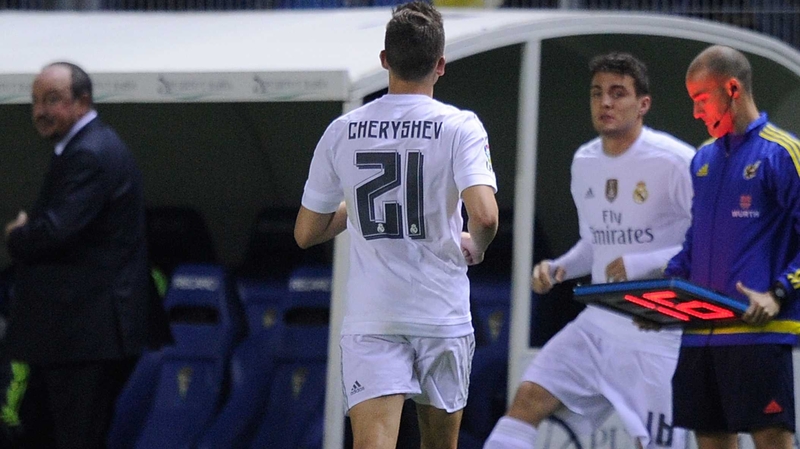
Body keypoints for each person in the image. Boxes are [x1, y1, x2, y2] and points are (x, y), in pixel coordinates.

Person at [294, 3, 499, 448]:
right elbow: (484, 215)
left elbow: (306, 233)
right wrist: (476, 246)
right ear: (440, 65)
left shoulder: (342, 130)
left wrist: (353, 208)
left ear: (384, 59)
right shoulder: (460, 126)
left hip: (374, 317)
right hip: (440, 313)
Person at [484, 52, 694, 449]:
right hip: (598, 324)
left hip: (654, 328)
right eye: (597, 94)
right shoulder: (584, 161)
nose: (606, 103)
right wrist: (558, 267)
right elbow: (595, 244)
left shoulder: (675, 161)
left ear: (643, 104)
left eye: (618, 94)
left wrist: (640, 263)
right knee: (527, 399)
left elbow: (706, 245)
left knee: (659, 442)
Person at [3, 62, 151, 449]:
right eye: (35, 101)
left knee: (77, 437)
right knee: (46, 431)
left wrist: (19, 234)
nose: (40, 111)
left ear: (83, 102)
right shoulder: (85, 147)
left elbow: (54, 231)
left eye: (52, 100)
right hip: (72, 334)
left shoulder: (91, 154)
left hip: (84, 334)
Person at [665, 44, 800, 449]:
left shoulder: (782, 153)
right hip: (700, 336)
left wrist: (779, 292)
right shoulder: (702, 158)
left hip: (758, 335)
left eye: (701, 100)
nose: (696, 113)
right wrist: (661, 294)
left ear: (734, 89)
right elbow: (697, 238)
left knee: (772, 442)